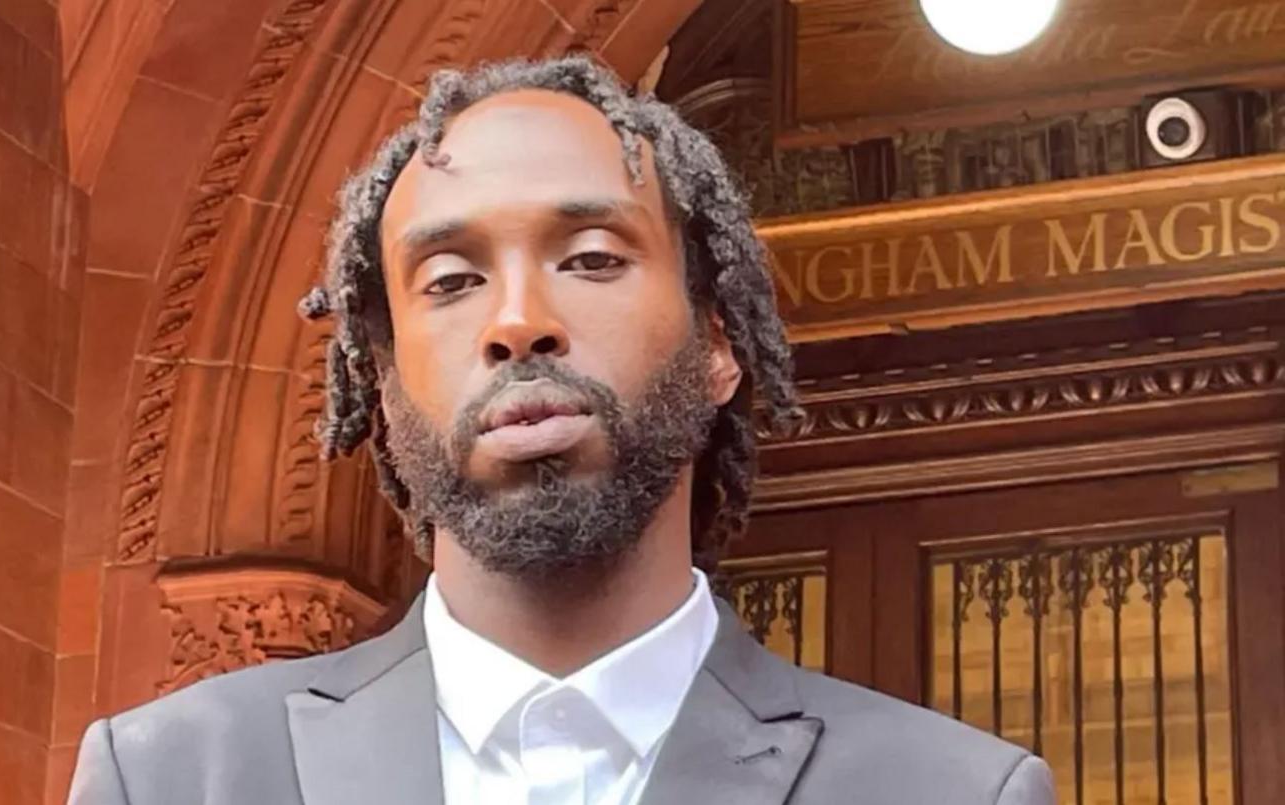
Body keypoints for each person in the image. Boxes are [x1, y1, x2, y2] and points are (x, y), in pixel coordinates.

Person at [67, 57, 1055, 805]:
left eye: (589, 257)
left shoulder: (953, 793)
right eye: (451, 281)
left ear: (719, 344)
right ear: (382, 379)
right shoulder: (173, 778)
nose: (516, 321)